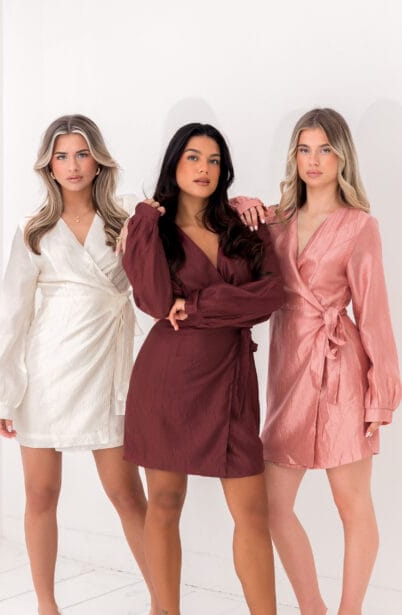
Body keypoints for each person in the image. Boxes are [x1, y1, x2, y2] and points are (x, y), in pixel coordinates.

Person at [235, 108, 401, 615]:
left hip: (341, 370)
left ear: (342, 156)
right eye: (304, 149)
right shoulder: (276, 221)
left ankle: (349, 612)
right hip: (288, 373)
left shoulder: (359, 226)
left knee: (352, 505)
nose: (313, 160)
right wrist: (239, 204)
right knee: (272, 506)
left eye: (325, 149)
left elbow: (375, 315)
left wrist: (381, 395)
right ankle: (314, 609)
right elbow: (229, 233)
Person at [0, 114, 158, 615]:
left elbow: (184, 223)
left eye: (81, 154)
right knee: (41, 494)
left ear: (97, 160)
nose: (72, 165)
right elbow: (13, 314)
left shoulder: (127, 217)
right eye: (61, 156)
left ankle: (163, 601)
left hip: (108, 369)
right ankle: (47, 606)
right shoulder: (34, 230)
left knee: (126, 493)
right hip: (46, 373)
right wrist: (3, 393)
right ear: (49, 165)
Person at [121, 122, 285, 615]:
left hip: (232, 381)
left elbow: (270, 296)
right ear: (174, 163)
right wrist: (144, 218)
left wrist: (194, 307)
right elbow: (154, 301)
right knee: (165, 504)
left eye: (214, 160)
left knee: (253, 513)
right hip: (167, 380)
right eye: (193, 157)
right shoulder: (152, 229)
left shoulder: (243, 225)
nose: (204, 169)